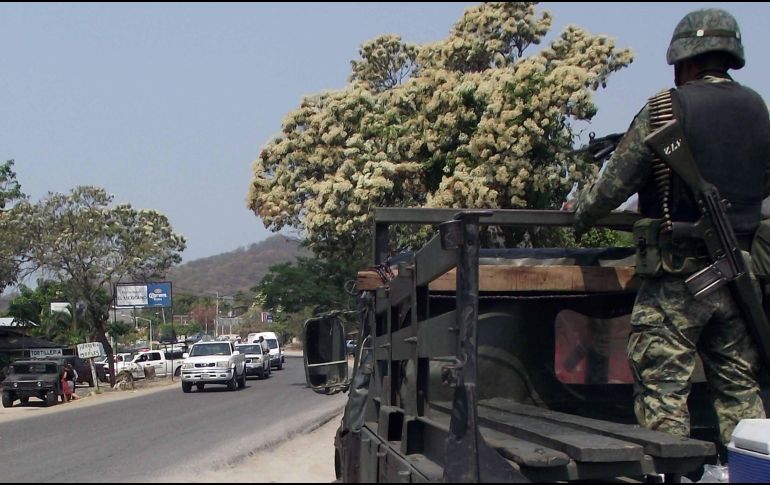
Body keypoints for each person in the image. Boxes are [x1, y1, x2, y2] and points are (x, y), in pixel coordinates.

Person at [571, 8, 769, 446]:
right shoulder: (759, 109)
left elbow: (611, 188)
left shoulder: (666, 109)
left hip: (679, 282)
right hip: (740, 281)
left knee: (663, 402)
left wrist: (580, 214)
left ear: (686, 61)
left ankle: (669, 475)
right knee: (742, 398)